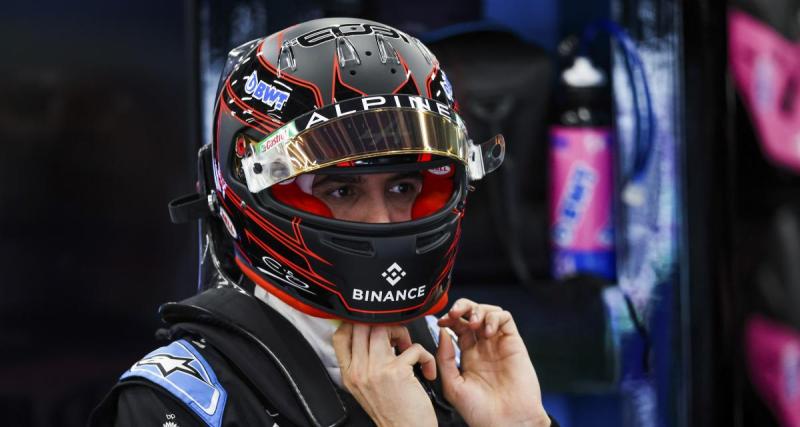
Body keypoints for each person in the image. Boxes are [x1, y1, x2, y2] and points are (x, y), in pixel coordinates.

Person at [91, 17, 556, 427]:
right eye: (341, 191)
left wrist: (521, 423)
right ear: (248, 190)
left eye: (402, 188)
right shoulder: (176, 406)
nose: (381, 220)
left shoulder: (458, 368)